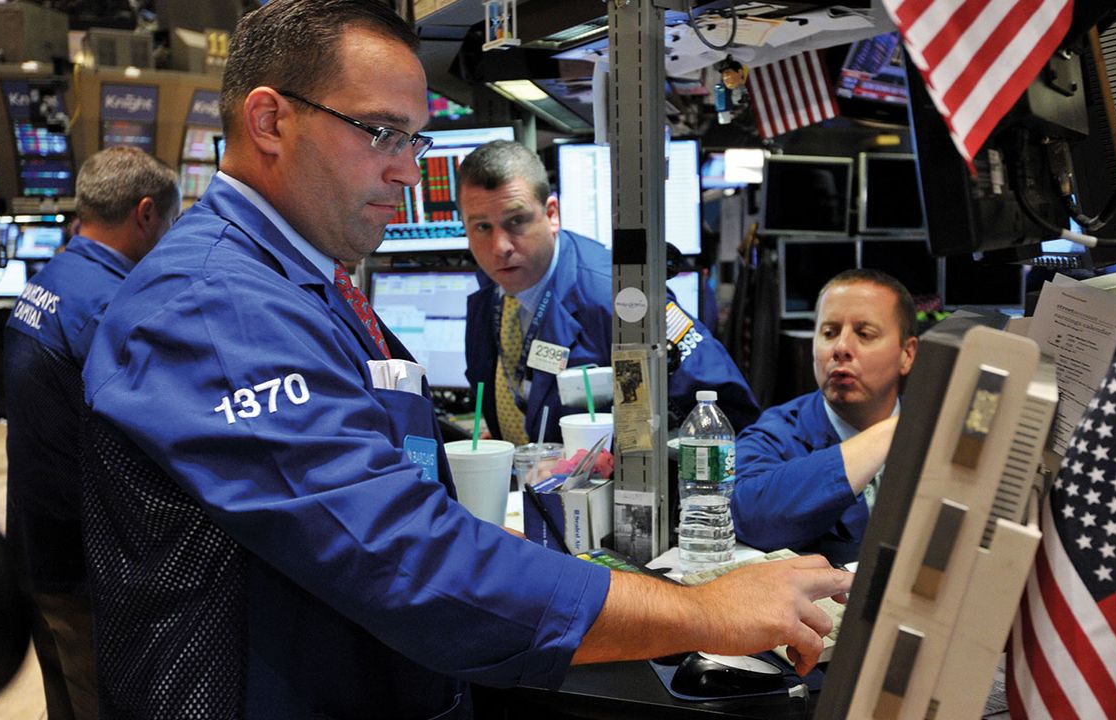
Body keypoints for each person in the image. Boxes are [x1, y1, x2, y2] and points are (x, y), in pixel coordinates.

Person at [78, 2, 851, 717]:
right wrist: (703, 612)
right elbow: (403, 555)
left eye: (412, 138)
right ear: (271, 120)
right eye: (380, 132)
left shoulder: (294, 284)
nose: (409, 172)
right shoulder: (215, 307)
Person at [3, 146, 179, 720]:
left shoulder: (51, 277)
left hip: (33, 545)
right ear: (146, 214)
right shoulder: (112, 307)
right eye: (171, 223)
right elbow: (156, 439)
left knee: (65, 699)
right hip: (82, 567)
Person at [458, 140, 760, 445]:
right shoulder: (490, 292)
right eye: (482, 227)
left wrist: (610, 457)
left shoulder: (621, 296)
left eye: (516, 221)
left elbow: (725, 415)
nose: (500, 248)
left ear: (551, 214)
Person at [731, 268, 918, 565]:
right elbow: (750, 516)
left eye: (865, 334)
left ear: (907, 354)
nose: (841, 348)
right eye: (829, 332)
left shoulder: (939, 432)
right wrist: (890, 433)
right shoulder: (776, 432)